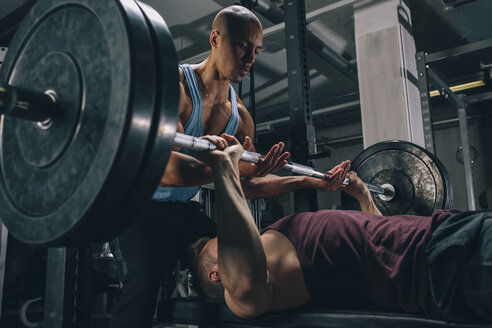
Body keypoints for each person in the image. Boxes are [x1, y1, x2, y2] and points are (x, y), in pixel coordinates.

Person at [110, 5, 350, 328]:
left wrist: (308, 183)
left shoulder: (240, 117)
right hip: (139, 206)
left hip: (184, 210)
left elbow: (246, 187)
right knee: (144, 284)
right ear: (214, 39)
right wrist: (228, 167)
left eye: (257, 50)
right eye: (242, 45)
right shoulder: (176, 87)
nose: (251, 58)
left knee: (243, 265)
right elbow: (168, 170)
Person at [188, 134, 492, 324]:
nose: (227, 233)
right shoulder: (241, 297)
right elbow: (244, 281)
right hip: (439, 265)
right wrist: (224, 169)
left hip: (445, 235)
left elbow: (376, 235)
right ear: (216, 274)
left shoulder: (269, 243)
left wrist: (361, 195)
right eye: (220, 240)